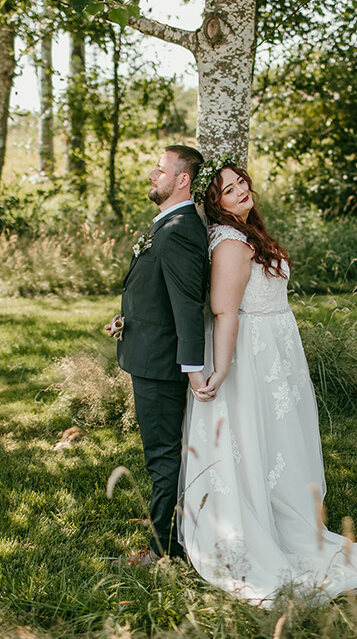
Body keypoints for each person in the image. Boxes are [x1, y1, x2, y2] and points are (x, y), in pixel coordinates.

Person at [180, 157, 357, 607]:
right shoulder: (231, 242)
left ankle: (285, 516)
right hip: (250, 356)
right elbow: (224, 310)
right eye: (228, 190)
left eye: (241, 183)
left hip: (275, 349)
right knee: (256, 440)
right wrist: (223, 369)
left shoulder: (248, 232)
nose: (240, 191)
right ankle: (257, 531)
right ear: (214, 204)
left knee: (280, 441)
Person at [105, 145, 209, 563]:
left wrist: (193, 370)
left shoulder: (181, 229)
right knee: (164, 454)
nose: (152, 174)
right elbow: (160, 294)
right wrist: (127, 318)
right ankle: (172, 540)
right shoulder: (169, 224)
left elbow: (187, 306)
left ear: (182, 180)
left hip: (162, 365)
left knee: (163, 457)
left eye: (160, 169)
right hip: (148, 350)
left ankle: (162, 551)